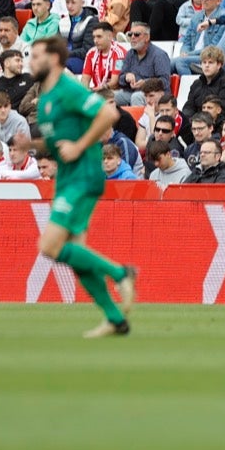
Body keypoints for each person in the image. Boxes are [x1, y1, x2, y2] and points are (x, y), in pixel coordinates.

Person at [29, 34, 139, 338]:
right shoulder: (47, 98)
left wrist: (79, 146)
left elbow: (108, 114)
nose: (30, 61)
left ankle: (121, 273)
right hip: (67, 179)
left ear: (53, 59)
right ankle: (115, 319)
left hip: (83, 176)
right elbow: (58, 140)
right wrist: (32, 143)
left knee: (49, 246)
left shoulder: (69, 89)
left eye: (36, 56)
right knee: (75, 253)